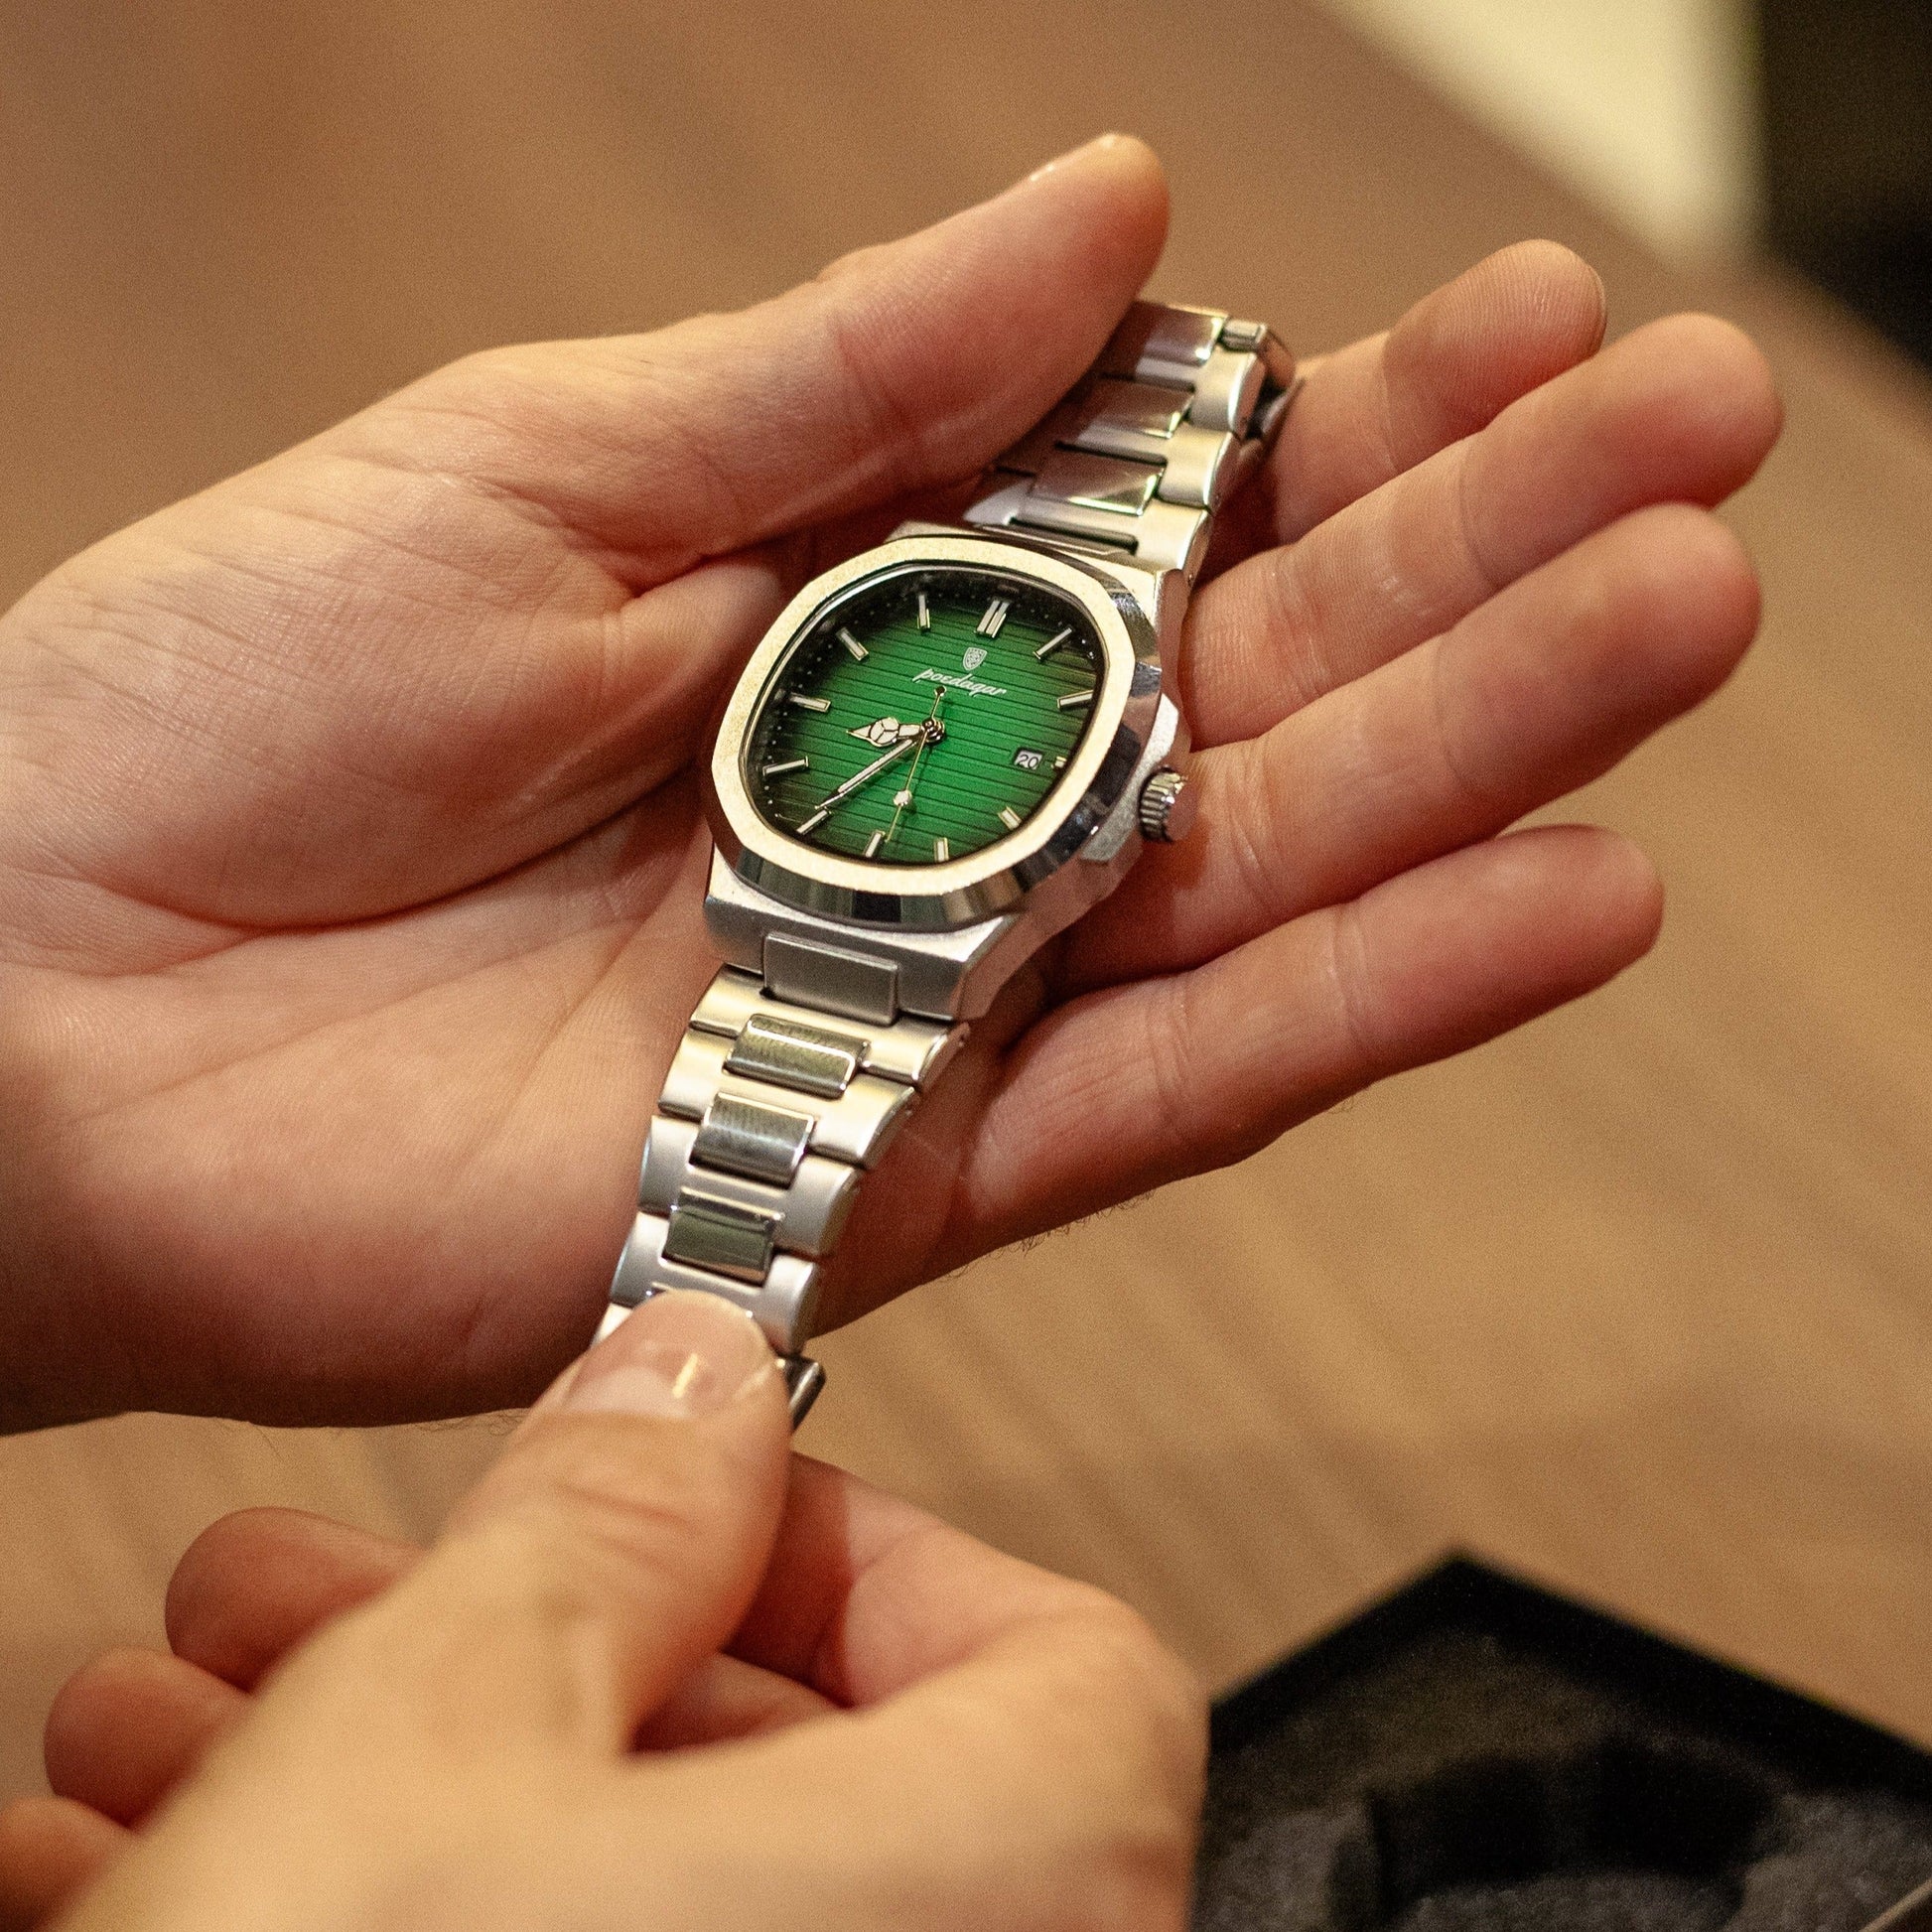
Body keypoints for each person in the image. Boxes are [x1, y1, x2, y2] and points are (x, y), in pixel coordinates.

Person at [0, 135, 1779, 1927]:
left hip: (900, 901)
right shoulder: (883, 701)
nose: (926, 725)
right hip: (784, 879)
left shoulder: (1074, 746)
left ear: (1128, 808)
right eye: (911, 712)